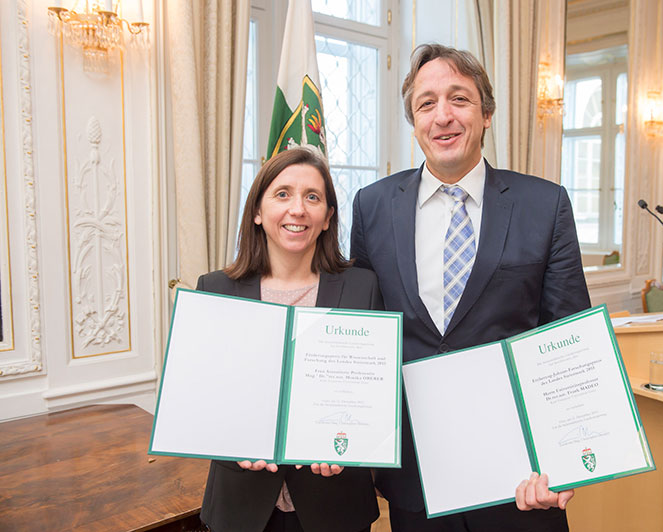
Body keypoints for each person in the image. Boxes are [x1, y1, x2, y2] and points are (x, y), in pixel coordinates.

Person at [350, 44, 591, 531]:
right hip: (415, 476)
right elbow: (363, 330)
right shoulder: (372, 206)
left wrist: (567, 457)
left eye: (458, 99)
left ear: (486, 113)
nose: (443, 116)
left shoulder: (545, 205)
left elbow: (569, 339)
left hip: (520, 478)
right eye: (426, 103)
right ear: (414, 121)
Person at [198, 147, 381, 532]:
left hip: (336, 505)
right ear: (257, 212)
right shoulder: (216, 289)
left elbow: (375, 396)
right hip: (242, 506)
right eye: (282, 194)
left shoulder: (363, 287)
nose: (297, 209)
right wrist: (229, 444)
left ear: (328, 217)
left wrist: (353, 447)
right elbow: (202, 397)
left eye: (312, 197)